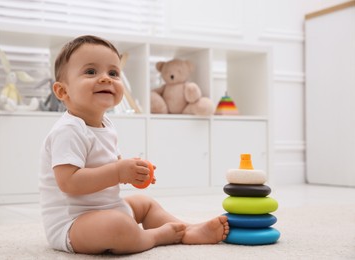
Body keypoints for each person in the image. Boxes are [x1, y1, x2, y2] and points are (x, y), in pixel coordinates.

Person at [39, 35, 229, 255]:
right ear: (63, 91)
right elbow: (69, 183)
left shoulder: (106, 124)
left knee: (145, 204)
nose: (105, 78)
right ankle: (156, 236)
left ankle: (186, 230)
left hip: (108, 209)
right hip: (73, 224)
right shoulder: (68, 130)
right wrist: (119, 172)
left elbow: (109, 165)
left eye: (113, 73)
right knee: (119, 227)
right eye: (91, 72)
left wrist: (133, 171)